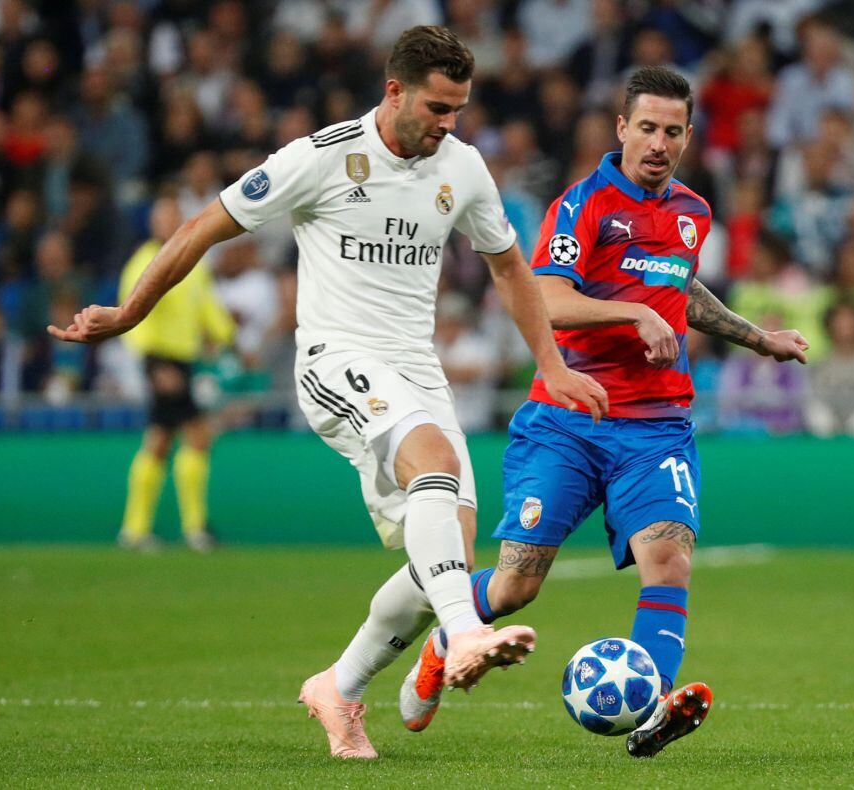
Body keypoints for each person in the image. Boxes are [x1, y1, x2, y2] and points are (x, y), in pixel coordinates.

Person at [47, 26, 606, 759]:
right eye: (438, 108)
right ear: (395, 89)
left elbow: (508, 269)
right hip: (334, 358)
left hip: (415, 370)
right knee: (434, 470)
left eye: (460, 109)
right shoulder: (320, 157)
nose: (450, 124)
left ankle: (339, 688)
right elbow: (200, 229)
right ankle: (464, 636)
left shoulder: (463, 168)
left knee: (445, 550)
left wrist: (552, 363)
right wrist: (129, 314)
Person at [399, 66, 809, 759]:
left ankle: (650, 711)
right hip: (568, 418)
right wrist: (633, 312)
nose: (658, 142)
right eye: (646, 127)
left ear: (686, 136)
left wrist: (757, 337)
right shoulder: (582, 205)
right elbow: (545, 296)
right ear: (621, 128)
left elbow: (683, 288)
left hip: (658, 426)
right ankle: (446, 637)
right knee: (517, 583)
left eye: (672, 131)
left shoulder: (692, 211)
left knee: (670, 559)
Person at [116, 196, 236, 553]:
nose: (170, 222)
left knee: (161, 441)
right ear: (153, 223)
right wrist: (152, 365)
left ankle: (136, 530)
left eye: (175, 215)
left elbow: (206, 306)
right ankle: (194, 528)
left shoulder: (191, 261)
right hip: (163, 362)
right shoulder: (143, 261)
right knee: (195, 436)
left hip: (184, 361)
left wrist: (228, 337)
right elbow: (129, 312)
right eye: (164, 216)